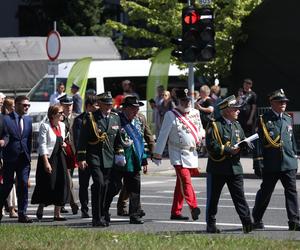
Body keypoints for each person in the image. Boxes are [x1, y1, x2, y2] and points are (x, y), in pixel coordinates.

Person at [153, 89, 204, 221]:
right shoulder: (171, 114)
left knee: (180, 184)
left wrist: (201, 137)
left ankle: (175, 212)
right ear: (178, 101)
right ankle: (194, 207)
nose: (186, 102)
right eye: (183, 100)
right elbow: (163, 134)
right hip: (177, 153)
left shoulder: (195, 112)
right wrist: (157, 153)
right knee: (185, 180)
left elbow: (200, 128)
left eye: (188, 100)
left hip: (192, 152)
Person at [252, 89, 300, 231]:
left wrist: (294, 158)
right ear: (272, 102)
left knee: (291, 192)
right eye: (280, 101)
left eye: (284, 102)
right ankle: (257, 219)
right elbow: (258, 142)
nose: (283, 104)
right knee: (265, 193)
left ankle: (294, 221)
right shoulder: (263, 119)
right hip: (271, 163)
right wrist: (258, 161)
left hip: (288, 162)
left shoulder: (287, 118)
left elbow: (291, 140)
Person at [205, 95, 252, 234]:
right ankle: (211, 224)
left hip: (235, 168)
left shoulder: (237, 125)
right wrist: (228, 150)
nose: (238, 111)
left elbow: (242, 139)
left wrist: (246, 145)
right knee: (213, 199)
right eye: (235, 109)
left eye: (238, 109)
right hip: (218, 168)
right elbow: (211, 145)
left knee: (240, 197)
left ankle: (247, 223)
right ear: (226, 110)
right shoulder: (215, 125)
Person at [105, 96, 155, 224]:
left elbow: (140, 141)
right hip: (119, 161)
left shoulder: (138, 121)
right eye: (133, 109)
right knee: (114, 187)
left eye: (137, 109)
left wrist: (144, 159)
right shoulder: (116, 119)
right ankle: (103, 210)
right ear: (125, 108)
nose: (136, 111)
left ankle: (134, 215)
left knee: (135, 189)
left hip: (134, 160)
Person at [77, 91, 124, 227]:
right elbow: (82, 139)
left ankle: (103, 212)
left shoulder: (115, 118)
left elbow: (117, 139)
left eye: (110, 104)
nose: (109, 106)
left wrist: (119, 154)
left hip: (109, 157)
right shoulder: (91, 118)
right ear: (100, 104)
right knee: (99, 184)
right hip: (94, 156)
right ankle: (96, 218)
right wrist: (81, 158)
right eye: (106, 104)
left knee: (109, 186)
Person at [31, 104, 70, 221]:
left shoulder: (62, 126)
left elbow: (63, 140)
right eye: (60, 113)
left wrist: (64, 144)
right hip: (49, 158)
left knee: (62, 182)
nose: (62, 115)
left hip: (60, 157)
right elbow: (42, 144)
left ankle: (57, 213)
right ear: (53, 115)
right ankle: (41, 205)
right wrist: (46, 162)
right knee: (48, 183)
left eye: (62, 113)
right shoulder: (45, 126)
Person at [0, 95, 33, 223]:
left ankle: (22, 214)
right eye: (24, 105)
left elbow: (29, 139)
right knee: (7, 186)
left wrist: (29, 156)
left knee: (23, 184)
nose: (27, 107)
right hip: (9, 158)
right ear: (17, 105)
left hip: (24, 158)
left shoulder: (29, 120)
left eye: (28, 105)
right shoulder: (6, 119)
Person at [73, 95, 99, 218]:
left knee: (99, 183)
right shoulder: (79, 120)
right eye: (96, 105)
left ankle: (98, 208)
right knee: (84, 184)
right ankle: (84, 208)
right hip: (85, 157)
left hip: (98, 157)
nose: (98, 107)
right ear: (89, 106)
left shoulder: (99, 119)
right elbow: (79, 140)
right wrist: (80, 158)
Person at [58, 94, 79, 215]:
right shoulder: (58, 117)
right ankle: (74, 203)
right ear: (62, 106)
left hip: (74, 152)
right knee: (67, 178)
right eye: (66, 105)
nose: (69, 107)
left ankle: (61, 204)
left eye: (70, 105)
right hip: (62, 152)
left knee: (66, 178)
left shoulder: (76, 117)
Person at [1, 97, 18, 218]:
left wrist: (4, 141)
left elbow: (6, 135)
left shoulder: (7, 119)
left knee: (9, 183)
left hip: (5, 154)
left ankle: (12, 208)